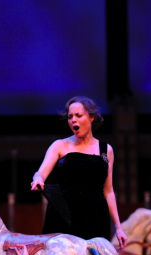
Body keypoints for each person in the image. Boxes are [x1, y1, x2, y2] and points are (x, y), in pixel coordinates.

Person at [31, 96, 127, 247]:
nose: (73, 120)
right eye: (70, 117)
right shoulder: (60, 145)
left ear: (91, 117)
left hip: (95, 217)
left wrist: (119, 228)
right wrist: (38, 179)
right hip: (64, 215)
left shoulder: (106, 150)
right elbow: (40, 173)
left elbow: (108, 191)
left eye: (78, 115)